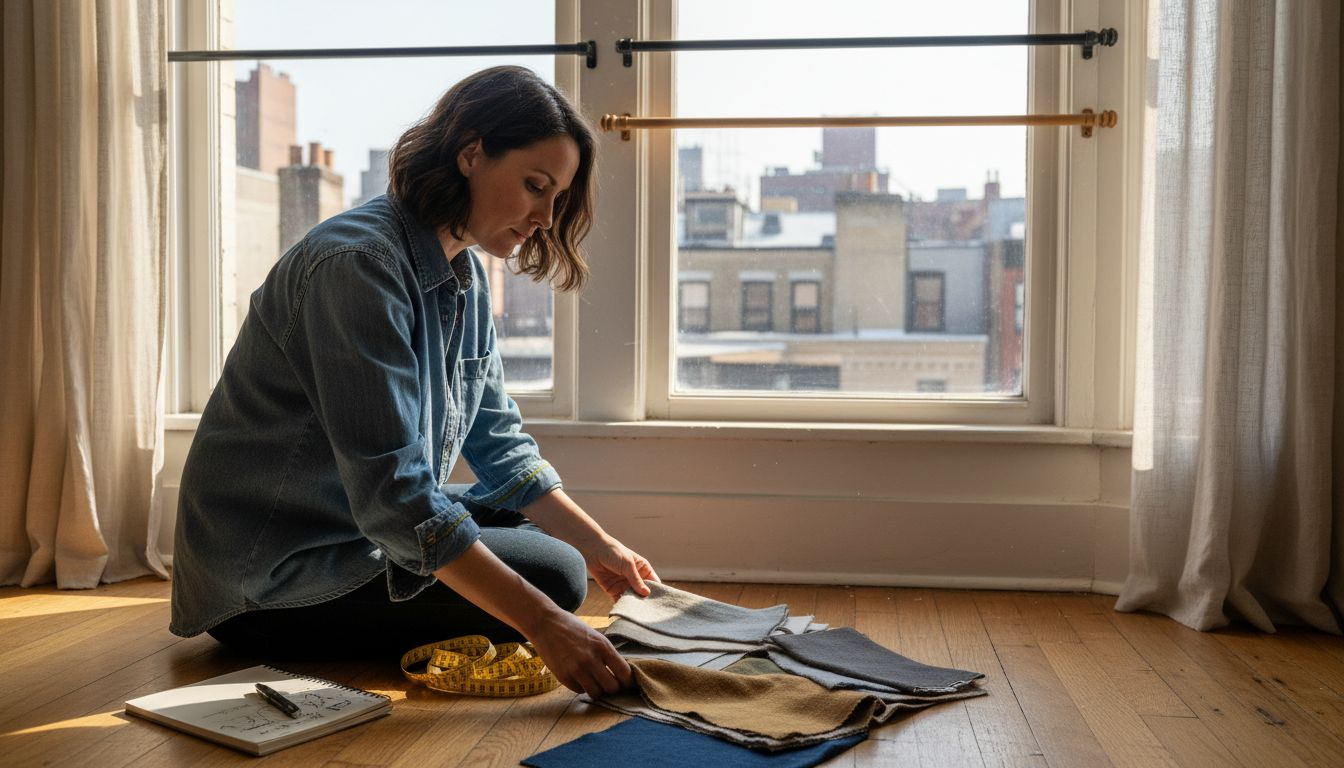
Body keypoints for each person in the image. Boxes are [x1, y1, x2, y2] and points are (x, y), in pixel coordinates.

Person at [169, 66, 657, 699]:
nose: (544, 216)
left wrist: (602, 547)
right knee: (554, 576)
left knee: (554, 545)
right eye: (535, 186)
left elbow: (499, 443)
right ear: (471, 153)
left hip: (360, 528)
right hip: (275, 582)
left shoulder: (465, 273)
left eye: (556, 198)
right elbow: (396, 494)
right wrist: (544, 625)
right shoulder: (358, 266)